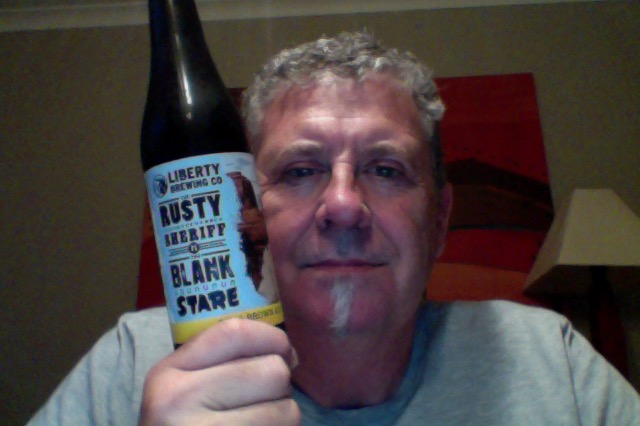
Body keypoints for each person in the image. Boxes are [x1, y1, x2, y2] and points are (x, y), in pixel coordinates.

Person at [29, 31, 639, 425]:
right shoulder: (129, 364)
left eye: (386, 169)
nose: (344, 205)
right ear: (246, 213)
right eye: (300, 171)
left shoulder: (552, 364)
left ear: (439, 220)